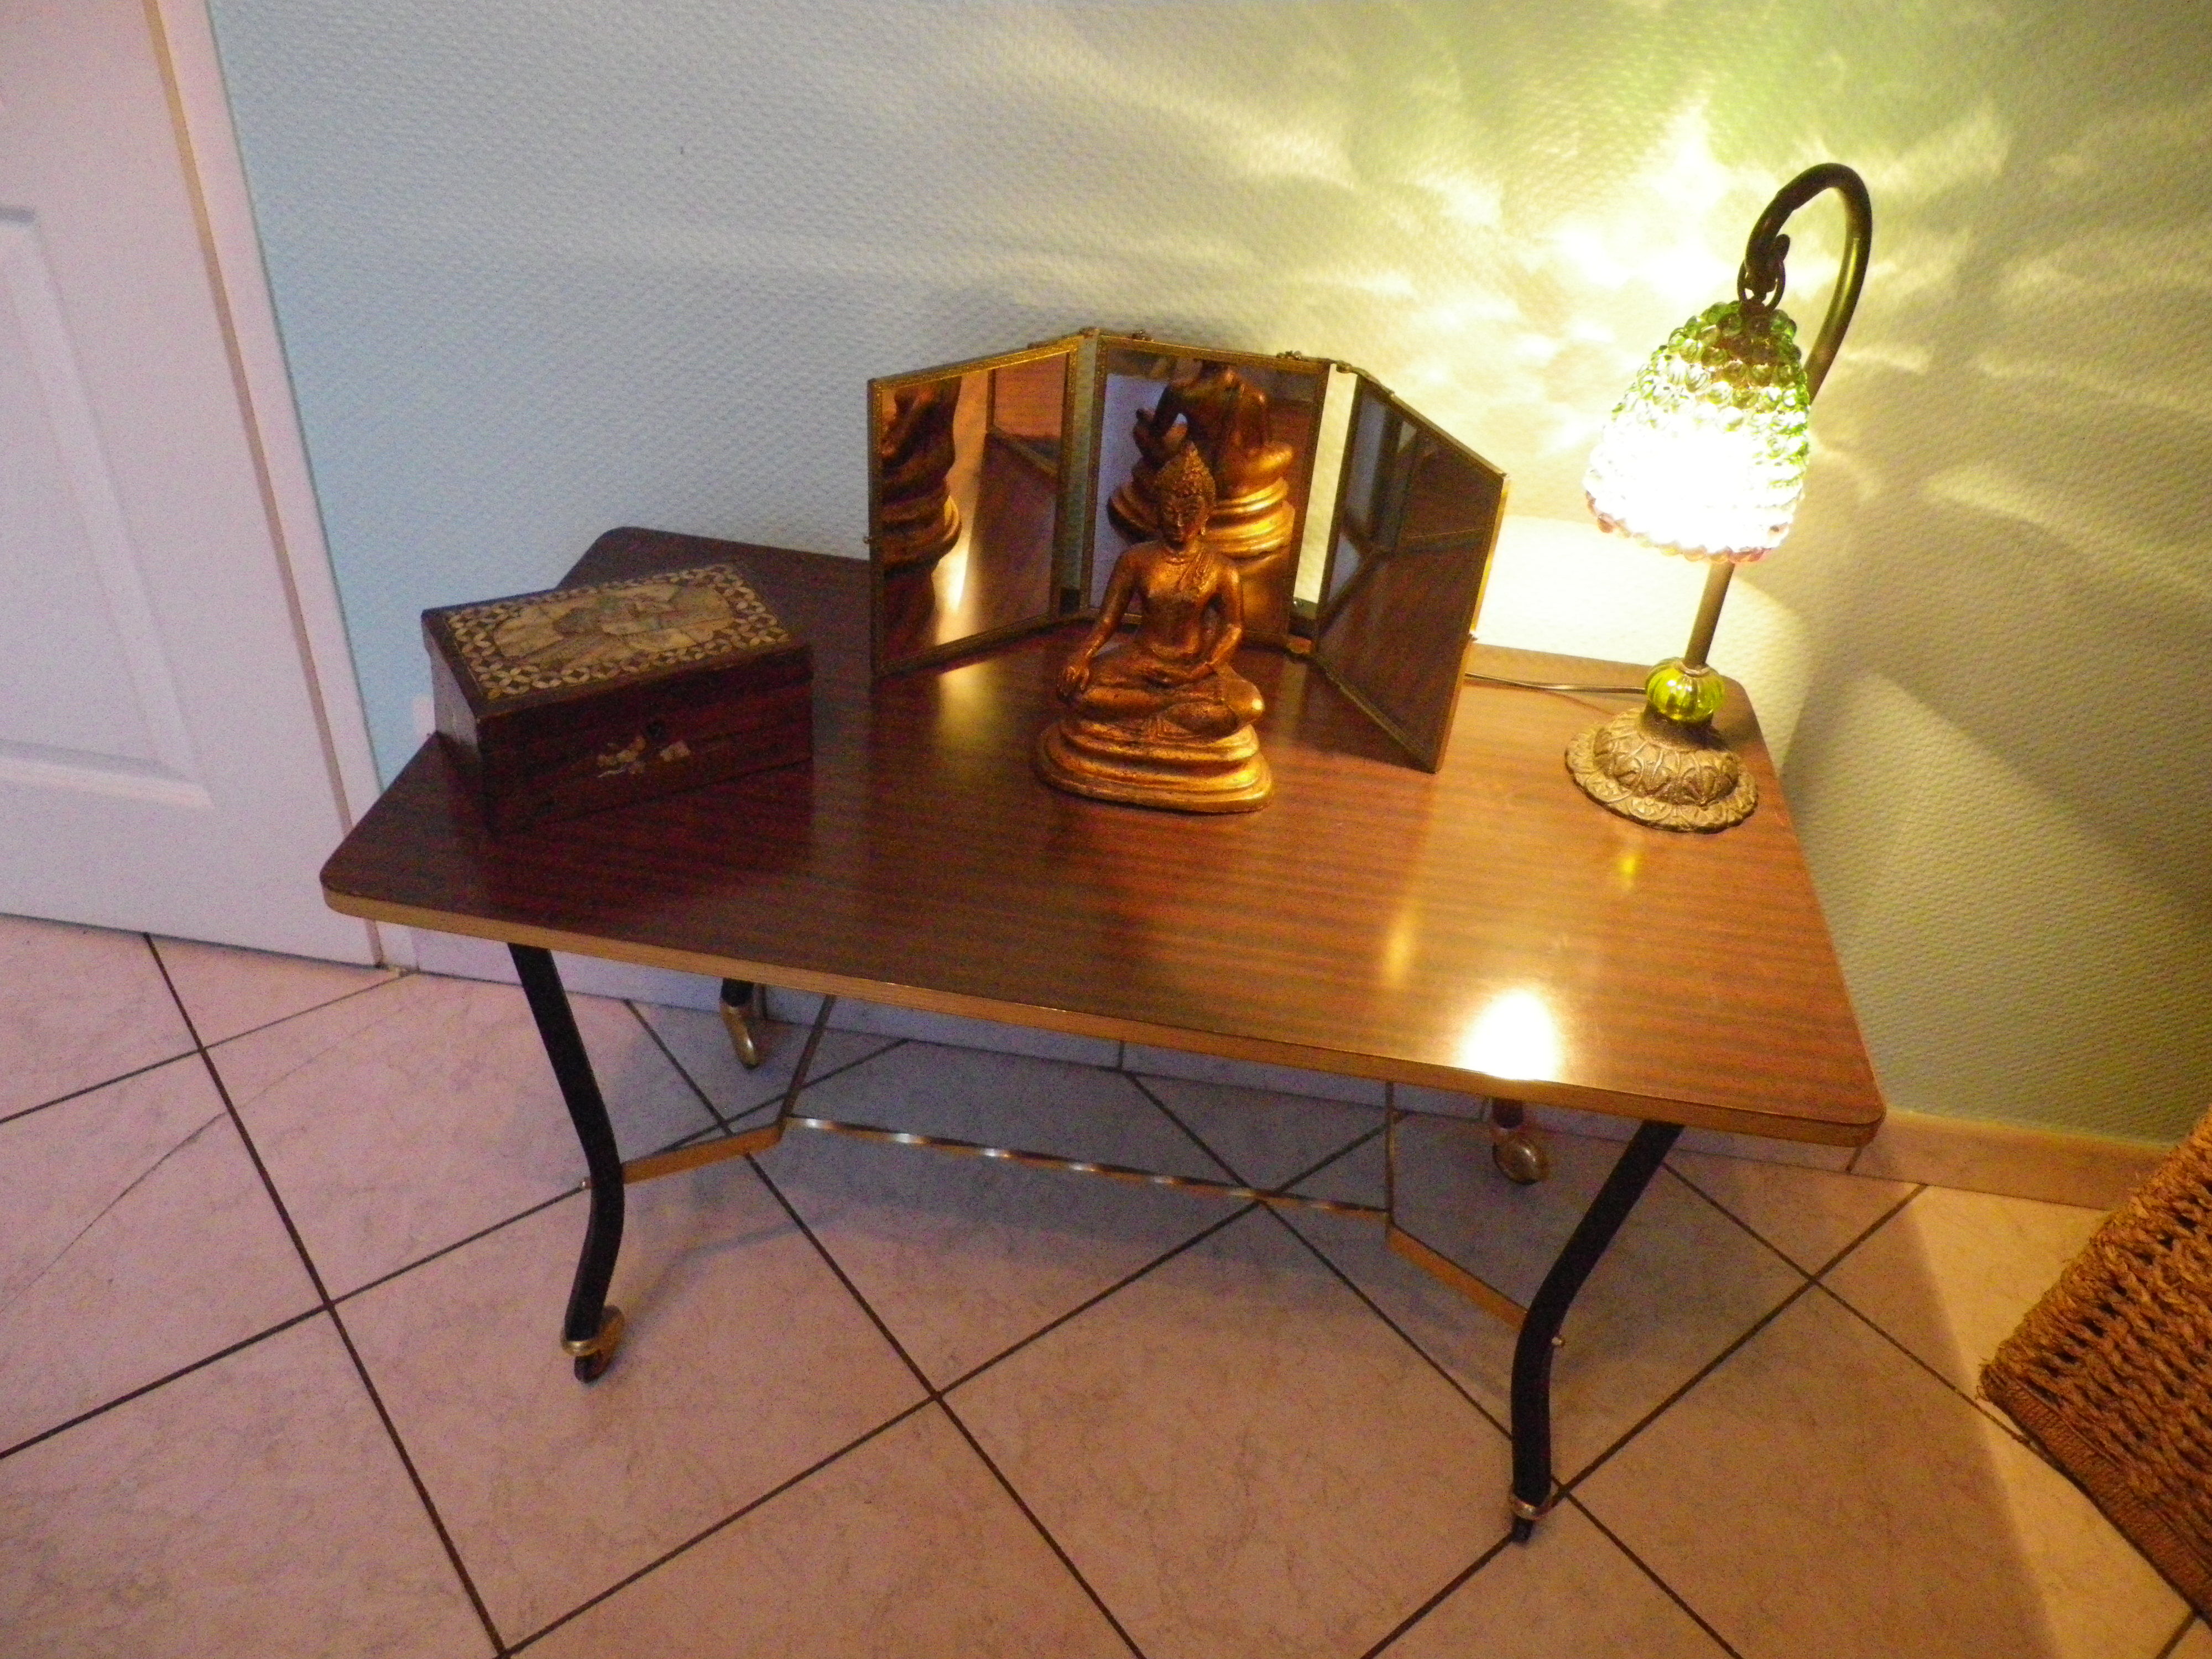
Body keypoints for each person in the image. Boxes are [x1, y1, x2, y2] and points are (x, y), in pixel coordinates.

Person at [1038, 441, 1272, 812]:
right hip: (1139, 660)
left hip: (1195, 667)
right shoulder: (1136, 559)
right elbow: (1107, 620)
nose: (1179, 522)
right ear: (1156, 511)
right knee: (1080, 694)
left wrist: (1202, 669)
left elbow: (1232, 628)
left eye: (1190, 511)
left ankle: (1148, 713)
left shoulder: (1221, 568)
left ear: (1207, 513)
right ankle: (1173, 710)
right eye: (1170, 510)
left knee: (1251, 704)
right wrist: (1079, 657)